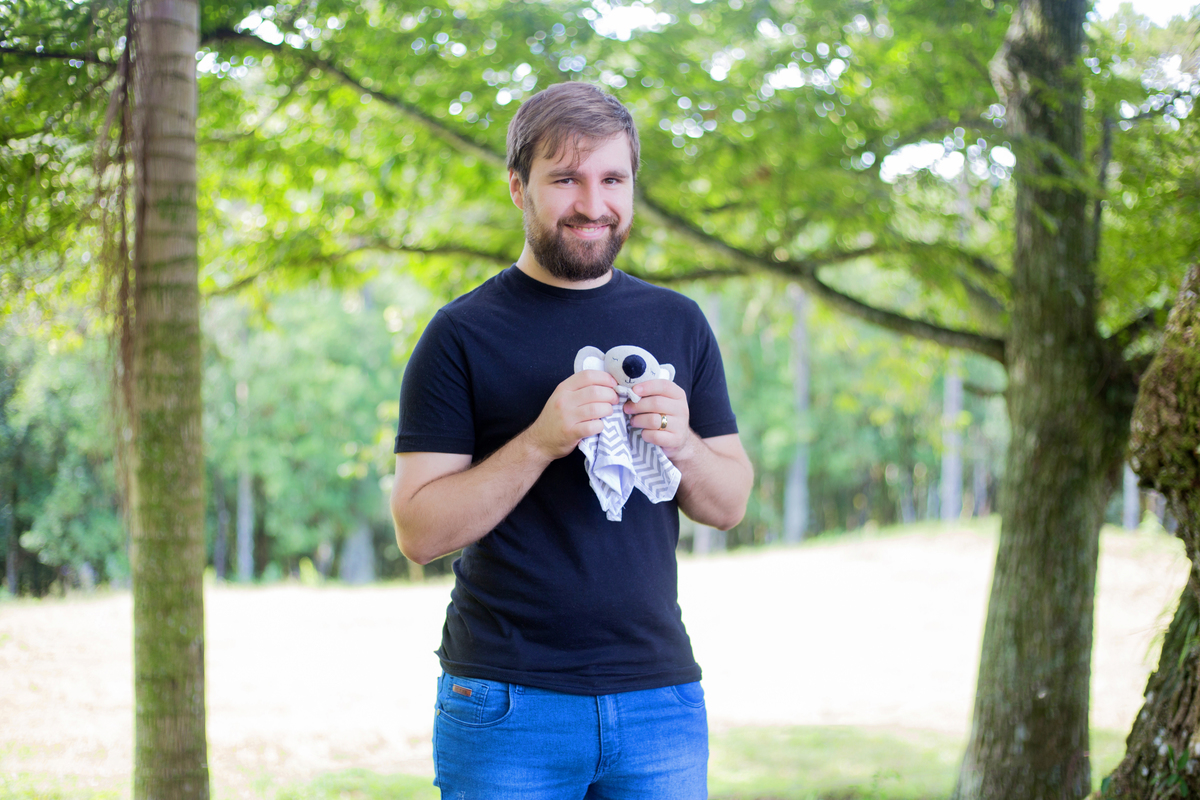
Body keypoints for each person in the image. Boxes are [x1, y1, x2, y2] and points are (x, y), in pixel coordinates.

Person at [390, 81, 753, 799]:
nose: (593, 204)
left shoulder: (679, 322)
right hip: (505, 706)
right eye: (566, 179)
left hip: (660, 701)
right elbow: (418, 531)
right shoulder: (459, 335)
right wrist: (539, 441)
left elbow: (730, 501)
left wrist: (681, 443)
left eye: (612, 179)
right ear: (519, 189)